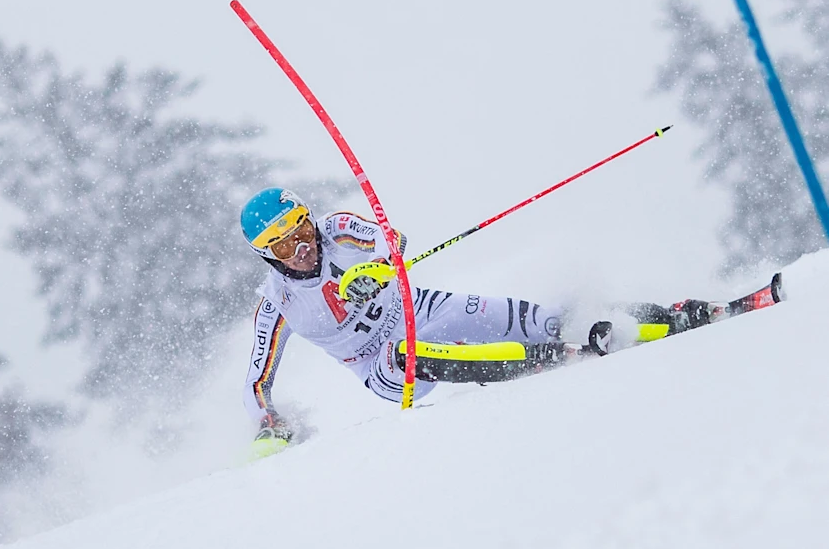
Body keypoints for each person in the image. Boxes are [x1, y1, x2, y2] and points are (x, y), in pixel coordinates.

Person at [238, 187, 770, 457]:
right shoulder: (278, 303)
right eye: (283, 242)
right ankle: (536, 363)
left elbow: (388, 236)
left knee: (545, 319)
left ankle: (679, 316)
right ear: (268, 255)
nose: (302, 245)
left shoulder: (335, 229)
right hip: (381, 362)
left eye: (300, 227)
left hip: (419, 307)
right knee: (409, 358)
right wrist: (269, 420)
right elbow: (257, 381)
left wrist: (379, 267)